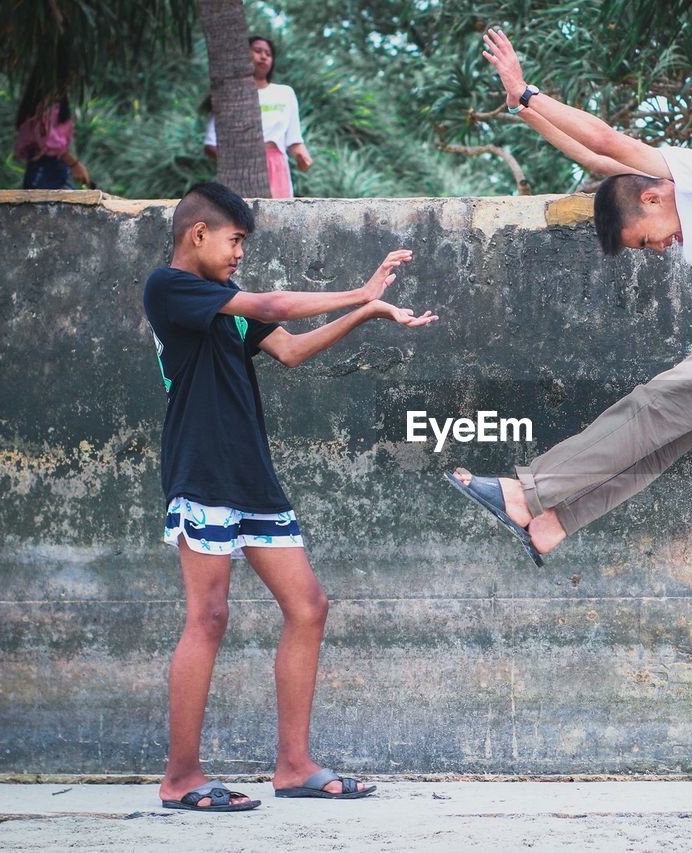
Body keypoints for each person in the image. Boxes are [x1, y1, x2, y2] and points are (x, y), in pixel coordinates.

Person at [446, 29, 692, 566]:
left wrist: (531, 91)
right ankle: (553, 523)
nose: (657, 249)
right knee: (670, 433)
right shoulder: (678, 199)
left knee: (654, 403)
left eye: (643, 238)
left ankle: (524, 494)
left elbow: (609, 141)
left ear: (653, 196)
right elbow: (599, 163)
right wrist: (523, 109)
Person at [144, 181, 436, 812]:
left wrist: (365, 313)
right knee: (209, 617)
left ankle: (294, 765)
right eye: (235, 240)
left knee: (308, 606)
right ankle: (181, 779)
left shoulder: (223, 302)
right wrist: (359, 288)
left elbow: (292, 349)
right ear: (198, 234)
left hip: (251, 475)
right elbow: (273, 303)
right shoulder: (171, 289)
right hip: (201, 472)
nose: (239, 252)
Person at [203, 35, 313, 199]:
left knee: (277, 221)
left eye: (268, 54)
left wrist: (303, 158)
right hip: (241, 171)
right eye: (257, 51)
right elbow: (210, 145)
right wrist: (238, 163)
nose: (263, 57)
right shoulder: (230, 95)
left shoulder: (284, 93)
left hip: (277, 167)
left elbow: (294, 140)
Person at [14, 88, 90, 190]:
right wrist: (74, 164)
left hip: (57, 170)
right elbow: (48, 140)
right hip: (42, 170)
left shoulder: (58, 101)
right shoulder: (44, 104)